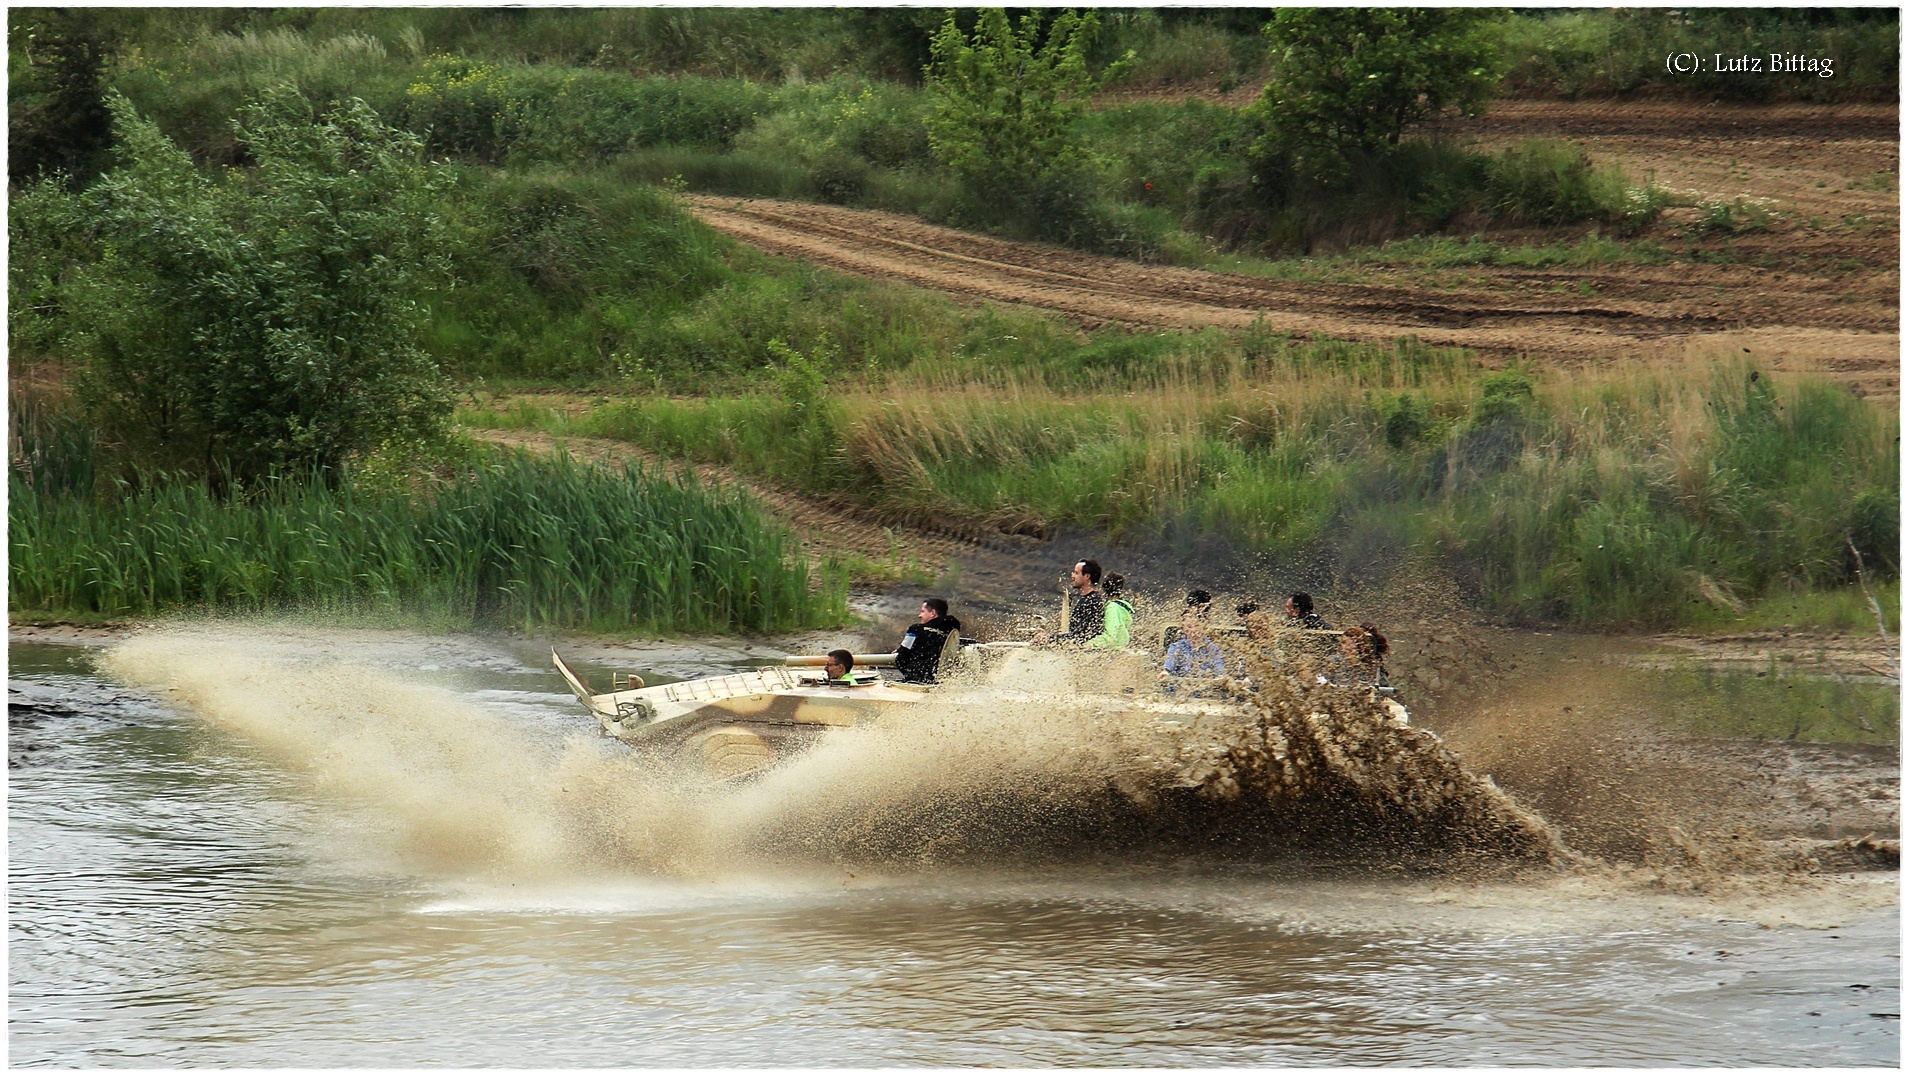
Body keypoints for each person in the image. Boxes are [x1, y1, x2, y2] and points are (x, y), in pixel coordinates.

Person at [1037, 559, 1105, 647]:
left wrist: (1050, 638)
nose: (1072, 576)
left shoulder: (1092, 602)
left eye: (1076, 573)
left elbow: (1080, 636)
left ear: (1087, 576)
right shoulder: (1086, 599)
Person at [896, 598, 961, 683]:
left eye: (922, 611)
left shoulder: (915, 630)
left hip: (917, 681)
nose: (919, 615)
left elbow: (901, 658)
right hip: (941, 682)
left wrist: (910, 674)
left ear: (933, 613)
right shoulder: (952, 633)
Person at [1162, 610, 1225, 691]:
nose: (1193, 630)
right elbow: (1170, 661)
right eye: (1189, 626)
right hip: (1180, 690)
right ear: (1183, 629)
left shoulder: (1212, 648)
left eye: (1196, 626)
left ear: (1203, 627)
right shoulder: (1176, 647)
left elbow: (1218, 664)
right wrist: (1166, 671)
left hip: (1205, 690)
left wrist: (1219, 676)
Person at [1336, 624, 1392, 689]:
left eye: (1351, 644)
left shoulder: (1372, 666)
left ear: (1360, 646)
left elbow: (1383, 688)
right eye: (1343, 643)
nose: (1346, 648)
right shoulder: (1334, 662)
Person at [1086, 573, 1132, 650]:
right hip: (1122, 650)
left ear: (1104, 589)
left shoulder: (1112, 608)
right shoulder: (1122, 607)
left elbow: (1111, 636)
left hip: (1114, 653)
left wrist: (1089, 644)